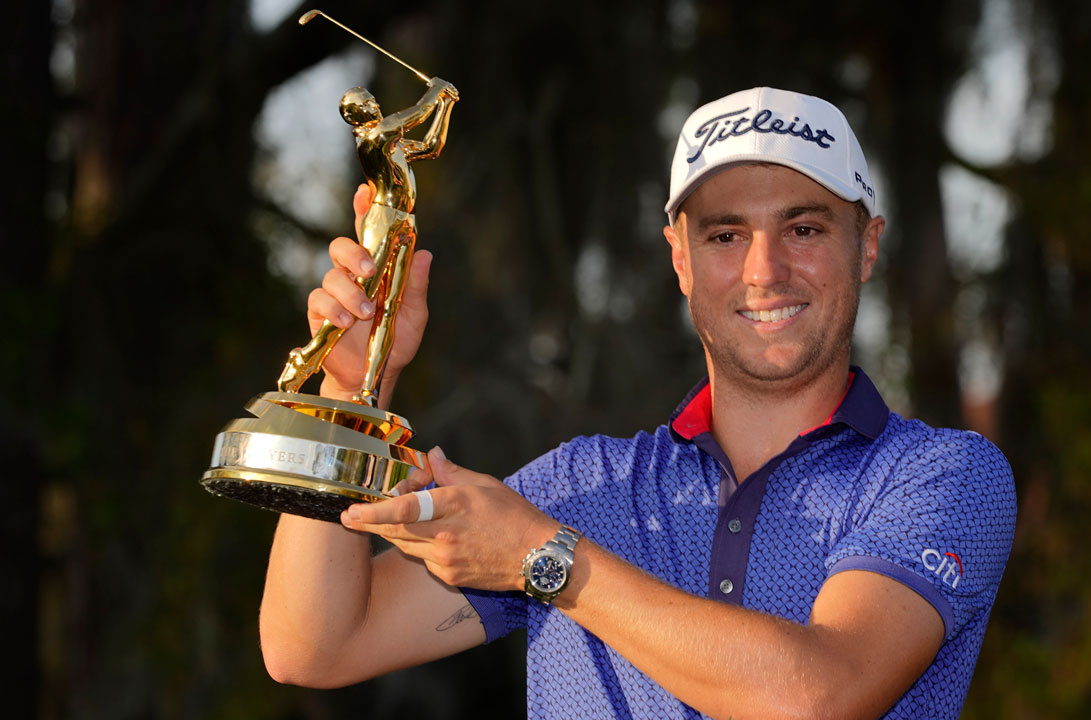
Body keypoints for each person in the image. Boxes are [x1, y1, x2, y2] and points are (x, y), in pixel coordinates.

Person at [259, 86, 1016, 719]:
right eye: (725, 235)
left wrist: (544, 559)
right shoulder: (579, 489)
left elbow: (816, 695)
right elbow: (314, 645)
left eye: (805, 227)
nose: (766, 269)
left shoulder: (941, 475)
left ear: (869, 245)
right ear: (680, 258)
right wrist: (353, 390)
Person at [276, 78, 459, 405]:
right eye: (365, 103)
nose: (373, 104)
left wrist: (445, 106)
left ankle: (368, 389)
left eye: (372, 99)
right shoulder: (375, 137)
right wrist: (437, 91)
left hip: (405, 222)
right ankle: (307, 357)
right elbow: (416, 113)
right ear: (355, 116)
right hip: (384, 218)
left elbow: (432, 147)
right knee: (362, 296)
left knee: (388, 310)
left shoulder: (392, 143)